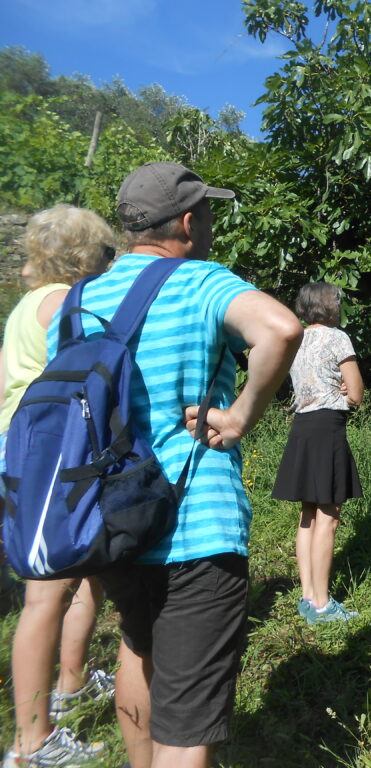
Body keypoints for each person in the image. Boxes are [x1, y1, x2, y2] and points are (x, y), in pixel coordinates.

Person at [46, 162, 302, 768]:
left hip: (113, 521)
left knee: (138, 647)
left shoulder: (81, 299)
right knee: (188, 721)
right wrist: (239, 416)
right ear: (188, 221)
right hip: (194, 524)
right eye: (206, 212)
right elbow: (281, 329)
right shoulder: (200, 281)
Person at [2, 205, 117, 768]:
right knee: (45, 593)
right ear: (84, 255)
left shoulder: (28, 304)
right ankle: (30, 742)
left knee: (86, 568)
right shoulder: (62, 305)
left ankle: (72, 687)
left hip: (40, 451)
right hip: (47, 452)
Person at [271, 282, 364, 626]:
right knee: (329, 516)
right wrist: (346, 387)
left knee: (308, 513)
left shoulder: (295, 338)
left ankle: (308, 597)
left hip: (302, 427)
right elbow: (355, 394)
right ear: (329, 305)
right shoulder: (337, 337)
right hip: (328, 428)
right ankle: (324, 606)